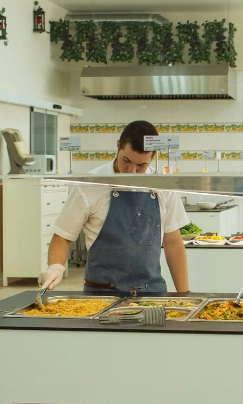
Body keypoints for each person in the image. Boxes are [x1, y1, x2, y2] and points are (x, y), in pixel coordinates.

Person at [39, 120, 190, 293]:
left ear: (153, 156)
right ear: (118, 146)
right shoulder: (90, 185)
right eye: (126, 160)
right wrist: (56, 267)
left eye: (141, 165)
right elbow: (62, 236)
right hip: (101, 294)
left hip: (150, 293)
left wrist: (184, 295)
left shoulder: (163, 187)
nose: (131, 171)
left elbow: (173, 243)